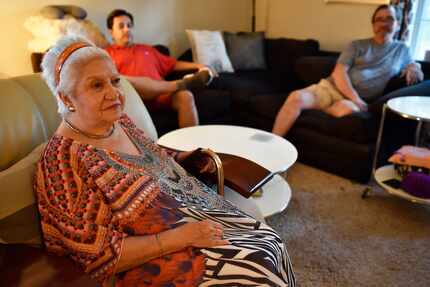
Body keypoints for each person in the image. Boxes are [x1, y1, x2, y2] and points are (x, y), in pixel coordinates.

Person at [35, 35, 295, 287]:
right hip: (153, 259)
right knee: (258, 271)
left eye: (115, 81)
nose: (114, 93)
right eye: (96, 85)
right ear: (67, 98)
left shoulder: (119, 121)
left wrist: (184, 158)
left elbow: (152, 155)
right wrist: (182, 237)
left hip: (188, 214)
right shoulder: (61, 161)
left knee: (270, 243)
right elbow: (95, 254)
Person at [272, 4, 424, 137]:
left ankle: (323, 109)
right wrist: (356, 100)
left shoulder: (402, 50)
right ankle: (273, 148)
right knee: (296, 97)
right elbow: (339, 73)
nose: (383, 23)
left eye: (389, 18)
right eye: (379, 19)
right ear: (373, 25)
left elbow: (416, 68)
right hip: (331, 88)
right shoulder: (357, 45)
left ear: (397, 24)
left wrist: (415, 66)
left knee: (346, 111)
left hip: (352, 102)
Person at [105, 9, 212, 128]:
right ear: (111, 31)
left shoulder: (146, 49)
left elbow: (173, 64)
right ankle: (179, 84)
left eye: (129, 25)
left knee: (186, 96)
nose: (127, 29)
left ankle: (191, 144)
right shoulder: (106, 54)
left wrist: (199, 66)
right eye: (121, 26)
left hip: (161, 94)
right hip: (134, 98)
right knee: (123, 79)